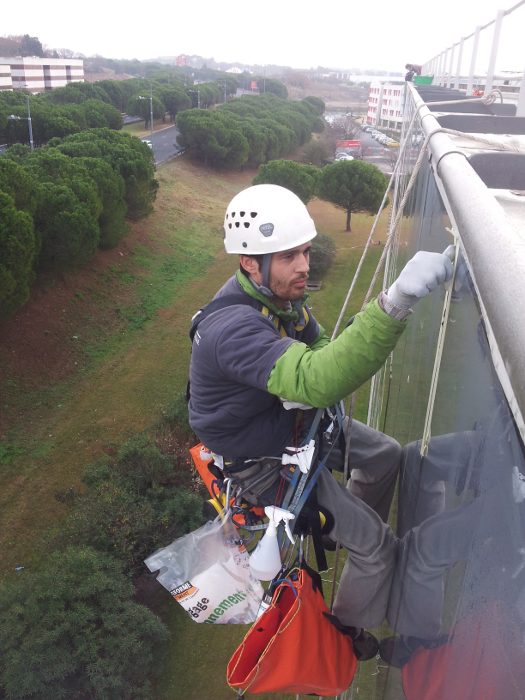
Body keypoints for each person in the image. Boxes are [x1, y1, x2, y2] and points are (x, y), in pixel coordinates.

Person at [188, 183, 454, 637]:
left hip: (292, 428)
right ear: (250, 262)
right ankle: (342, 635)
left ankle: (341, 529)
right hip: (265, 463)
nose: (304, 267)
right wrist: (395, 302)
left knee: (387, 454)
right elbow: (319, 379)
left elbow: (324, 351)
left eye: (306, 252)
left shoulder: (279, 302)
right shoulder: (233, 329)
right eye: (289, 256)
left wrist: (311, 376)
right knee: (379, 546)